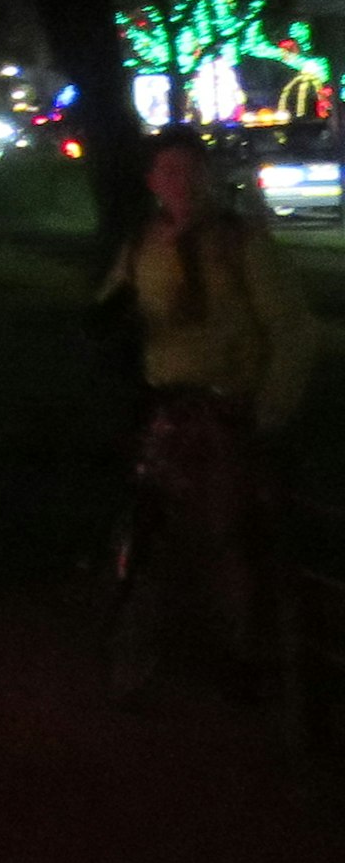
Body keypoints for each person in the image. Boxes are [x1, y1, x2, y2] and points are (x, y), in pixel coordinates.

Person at [100, 128, 320, 667]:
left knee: (229, 533)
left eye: (194, 171)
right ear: (153, 181)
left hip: (228, 409)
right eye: (171, 172)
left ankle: (242, 650)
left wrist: (269, 410)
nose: (185, 184)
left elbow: (293, 331)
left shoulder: (242, 242)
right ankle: (165, 638)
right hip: (165, 408)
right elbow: (110, 308)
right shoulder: (141, 244)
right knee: (158, 530)